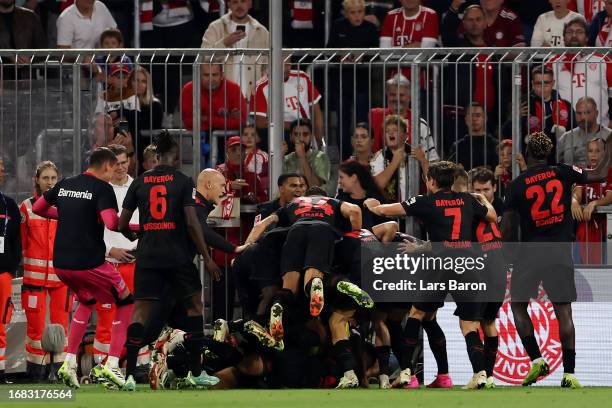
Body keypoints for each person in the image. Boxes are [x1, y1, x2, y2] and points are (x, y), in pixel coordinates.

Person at [365, 161, 497, 389]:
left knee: (417, 314)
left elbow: (384, 211)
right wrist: (484, 200)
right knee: (469, 326)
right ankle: (480, 373)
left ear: (432, 181)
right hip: (467, 264)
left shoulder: (425, 201)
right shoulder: (467, 200)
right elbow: (492, 217)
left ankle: (406, 371)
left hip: (439, 264)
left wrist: (371, 204)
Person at [502, 131, 612, 388]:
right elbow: (599, 175)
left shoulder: (517, 184)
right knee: (563, 310)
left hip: (529, 253)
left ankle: (537, 359)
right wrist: (609, 149)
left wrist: (509, 254)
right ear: (549, 154)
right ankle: (570, 373)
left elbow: (507, 226)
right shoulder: (563, 171)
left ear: (528, 155)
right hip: (560, 252)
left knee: (518, 306)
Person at [119, 131, 221, 390]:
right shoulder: (182, 181)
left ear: (155, 156)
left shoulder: (140, 181)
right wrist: (207, 258)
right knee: (194, 307)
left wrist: (135, 233)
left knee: (140, 313)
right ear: (174, 157)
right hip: (176, 256)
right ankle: (196, 373)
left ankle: (129, 375)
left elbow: (121, 223)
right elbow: (190, 223)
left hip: (148, 255)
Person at [32, 148, 133, 390]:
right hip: (91, 263)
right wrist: (140, 227)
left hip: (63, 265)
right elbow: (111, 222)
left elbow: (38, 208)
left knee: (86, 303)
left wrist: (68, 214)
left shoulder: (66, 183)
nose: (115, 172)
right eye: (113, 167)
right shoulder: (102, 189)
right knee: (126, 302)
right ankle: (112, 365)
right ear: (107, 166)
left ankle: (68, 362)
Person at [89, 145, 149, 383]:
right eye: (117, 163)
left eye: (125, 162)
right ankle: (102, 367)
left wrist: (138, 249)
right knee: (106, 319)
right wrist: (109, 249)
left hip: (134, 263)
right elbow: (90, 228)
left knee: (138, 316)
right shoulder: (98, 190)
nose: (121, 167)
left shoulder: (140, 188)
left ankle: (141, 365)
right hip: (107, 262)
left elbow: (146, 223)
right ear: (108, 165)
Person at [19, 161, 72, 382]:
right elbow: (22, 243)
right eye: (45, 178)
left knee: (61, 326)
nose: (49, 182)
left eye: (53, 178)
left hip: (61, 278)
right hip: (33, 280)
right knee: (35, 327)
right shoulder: (27, 207)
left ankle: (58, 370)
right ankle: (36, 371)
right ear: (37, 181)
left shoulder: (66, 206)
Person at [467, 166, 506, 388]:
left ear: (494, 188)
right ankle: (487, 376)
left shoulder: (479, 208)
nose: (482, 193)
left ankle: (483, 375)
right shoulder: (491, 208)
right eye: (478, 189)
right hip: (488, 268)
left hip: (488, 268)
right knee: (487, 322)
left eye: (486, 189)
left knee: (477, 322)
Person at [547, 17, 612, 128]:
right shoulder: (552, 63)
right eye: (569, 32)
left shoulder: (603, 60)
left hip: (600, 131)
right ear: (563, 37)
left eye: (579, 32)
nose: (573, 35)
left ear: (587, 38)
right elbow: (544, 96)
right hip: (565, 131)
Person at [201, 0, 269, 97]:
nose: (239, 6)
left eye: (243, 1)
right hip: (223, 96)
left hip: (253, 96)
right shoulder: (215, 28)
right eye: (235, 2)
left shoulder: (261, 31)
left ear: (250, 4)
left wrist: (261, 91)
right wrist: (225, 43)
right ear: (228, 4)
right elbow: (203, 59)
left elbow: (268, 66)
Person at [251, 61, 325, 147]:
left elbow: (316, 110)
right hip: (278, 137)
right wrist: (292, 126)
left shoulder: (302, 77)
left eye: (289, 63)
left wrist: (319, 139)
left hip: (304, 135)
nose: (287, 67)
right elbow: (260, 122)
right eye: (283, 64)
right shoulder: (260, 87)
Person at [571, 138, 612, 264]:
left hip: (605, 228)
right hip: (586, 229)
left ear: (604, 153)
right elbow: (577, 194)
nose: (593, 154)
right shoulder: (583, 173)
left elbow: (610, 197)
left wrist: (594, 203)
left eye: (597, 151)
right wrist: (574, 201)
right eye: (590, 151)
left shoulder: (609, 172)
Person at [181, 63, 247, 133]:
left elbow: (240, 122)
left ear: (221, 75)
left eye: (215, 75)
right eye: (206, 75)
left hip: (228, 139)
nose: (210, 79)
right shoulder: (189, 89)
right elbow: (188, 121)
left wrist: (206, 119)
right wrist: (224, 121)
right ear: (199, 75)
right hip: (199, 137)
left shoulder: (233, 88)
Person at [0, 186, 20, 384]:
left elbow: (16, 240)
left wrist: (10, 266)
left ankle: (0, 372)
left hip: (3, 274)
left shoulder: (9, 205)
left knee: (1, 323)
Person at [557, 97, 611, 166]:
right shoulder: (565, 138)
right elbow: (559, 167)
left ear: (596, 113)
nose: (582, 117)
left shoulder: (610, 135)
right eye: (579, 113)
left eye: (587, 113)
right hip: (573, 176)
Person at [0, 0, 46, 79]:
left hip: (26, 79)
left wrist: (30, 58)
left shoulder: (31, 17)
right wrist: (8, 56)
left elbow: (43, 50)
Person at [337, 160, 387, 230]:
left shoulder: (376, 199)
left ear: (353, 177)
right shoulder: (340, 200)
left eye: (341, 177)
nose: (339, 181)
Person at [130, 66, 163, 174]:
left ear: (147, 85)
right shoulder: (123, 104)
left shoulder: (155, 105)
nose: (139, 84)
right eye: (136, 80)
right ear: (130, 82)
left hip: (147, 150)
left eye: (143, 81)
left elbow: (151, 129)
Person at [448, 102, 499, 170]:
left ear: (485, 118)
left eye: (478, 115)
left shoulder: (496, 145)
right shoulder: (457, 146)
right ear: (466, 119)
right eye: (471, 116)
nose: (474, 119)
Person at [283, 119, 331, 190]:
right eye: (296, 134)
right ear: (290, 137)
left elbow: (315, 187)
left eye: (305, 134)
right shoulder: (286, 159)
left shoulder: (321, 157)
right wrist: (279, 157)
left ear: (311, 137)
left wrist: (302, 157)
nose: (301, 139)